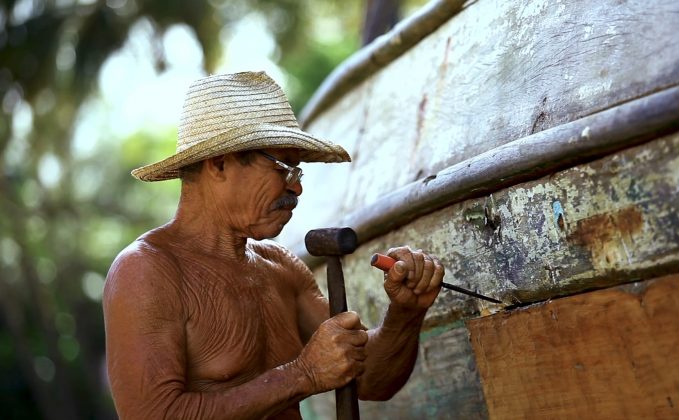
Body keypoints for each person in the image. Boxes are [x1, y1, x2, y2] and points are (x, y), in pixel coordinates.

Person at [103, 71, 444, 419]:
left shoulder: (280, 268)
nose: (296, 188)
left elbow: (370, 379)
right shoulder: (146, 271)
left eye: (298, 171)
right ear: (220, 162)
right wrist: (304, 375)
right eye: (285, 167)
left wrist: (405, 313)